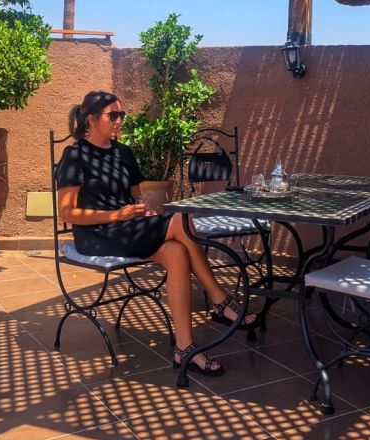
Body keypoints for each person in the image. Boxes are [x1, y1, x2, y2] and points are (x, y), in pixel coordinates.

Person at [55, 90, 256, 376]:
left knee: (176, 252)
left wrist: (143, 210)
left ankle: (184, 349)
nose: (119, 120)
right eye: (113, 115)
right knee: (180, 219)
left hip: (126, 227)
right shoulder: (75, 156)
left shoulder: (123, 153)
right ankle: (220, 300)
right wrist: (117, 215)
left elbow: (136, 197)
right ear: (91, 119)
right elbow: (66, 213)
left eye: (122, 115)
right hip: (96, 235)